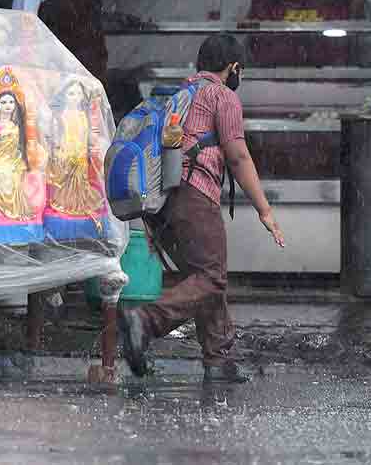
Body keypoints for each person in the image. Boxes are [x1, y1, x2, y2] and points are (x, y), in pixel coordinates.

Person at [118, 34, 285, 383]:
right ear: (233, 68)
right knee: (211, 277)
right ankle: (145, 319)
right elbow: (238, 156)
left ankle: (219, 360)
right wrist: (265, 210)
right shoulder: (221, 95)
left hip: (163, 201)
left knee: (204, 276)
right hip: (194, 195)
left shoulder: (181, 94)